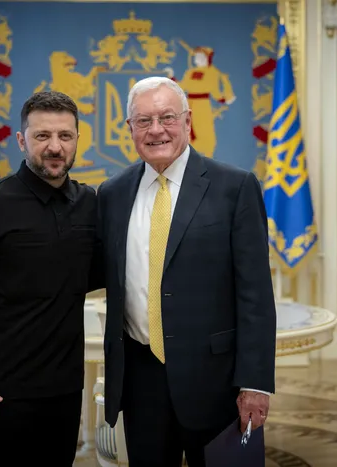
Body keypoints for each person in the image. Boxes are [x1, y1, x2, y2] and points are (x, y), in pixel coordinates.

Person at [95, 76, 276, 466]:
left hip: (216, 381)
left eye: (167, 117)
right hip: (140, 380)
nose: (156, 129)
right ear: (130, 128)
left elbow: (256, 295)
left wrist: (255, 382)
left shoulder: (235, 187)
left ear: (188, 120)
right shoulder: (112, 194)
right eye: (143, 121)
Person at [0, 91, 98, 466]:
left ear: (77, 139)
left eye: (65, 135)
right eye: (42, 135)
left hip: (64, 390)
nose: (55, 146)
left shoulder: (90, 204)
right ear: (21, 140)